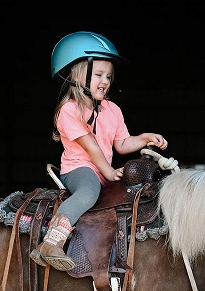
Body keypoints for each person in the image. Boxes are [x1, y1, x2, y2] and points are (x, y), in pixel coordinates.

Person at [30, 31, 168, 271]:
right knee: (88, 192)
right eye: (98, 75)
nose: (105, 81)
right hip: (79, 169)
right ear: (77, 76)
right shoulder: (69, 110)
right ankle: (51, 243)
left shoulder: (113, 110)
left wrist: (144, 138)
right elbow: (91, 147)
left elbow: (122, 144)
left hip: (102, 172)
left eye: (108, 76)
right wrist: (109, 171)